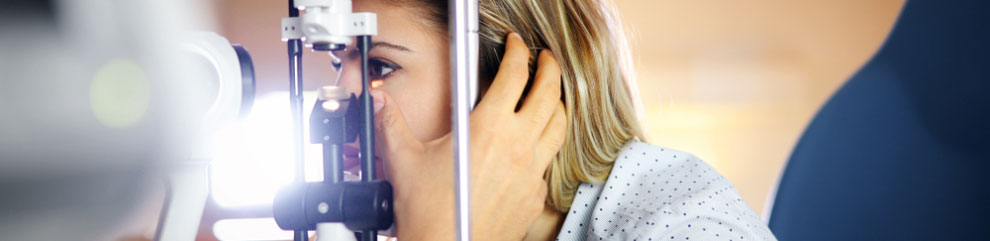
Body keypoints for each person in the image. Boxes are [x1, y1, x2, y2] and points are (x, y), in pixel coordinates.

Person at [329, 0, 778, 240]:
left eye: (379, 67)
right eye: (337, 65)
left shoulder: (681, 228)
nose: (332, 103)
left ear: (510, 84)